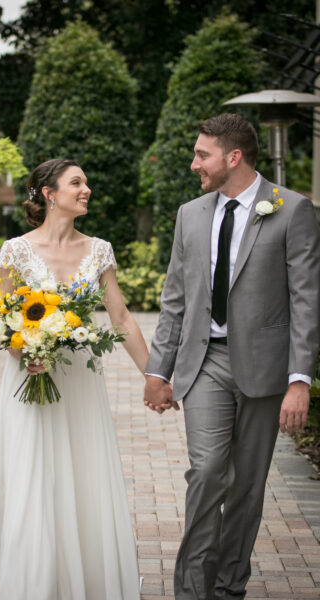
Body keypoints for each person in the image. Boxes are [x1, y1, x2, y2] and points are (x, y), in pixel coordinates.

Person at [0, 158, 149, 599]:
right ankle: (35, 575)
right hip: (28, 379)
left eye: (87, 182)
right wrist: (26, 349)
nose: (87, 189)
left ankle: (85, 573)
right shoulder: (15, 250)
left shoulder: (100, 249)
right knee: (34, 471)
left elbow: (121, 317)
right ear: (49, 193)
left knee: (81, 469)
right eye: (77, 183)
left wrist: (153, 374)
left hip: (80, 383)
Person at [143, 113, 320, 600]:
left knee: (246, 485)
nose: (195, 162)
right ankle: (192, 590)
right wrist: (158, 369)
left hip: (265, 370)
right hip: (205, 364)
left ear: (233, 157)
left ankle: (229, 587)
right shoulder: (190, 214)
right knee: (206, 471)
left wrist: (299, 379)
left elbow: (306, 300)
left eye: (203, 154)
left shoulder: (291, 209)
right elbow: (175, 297)